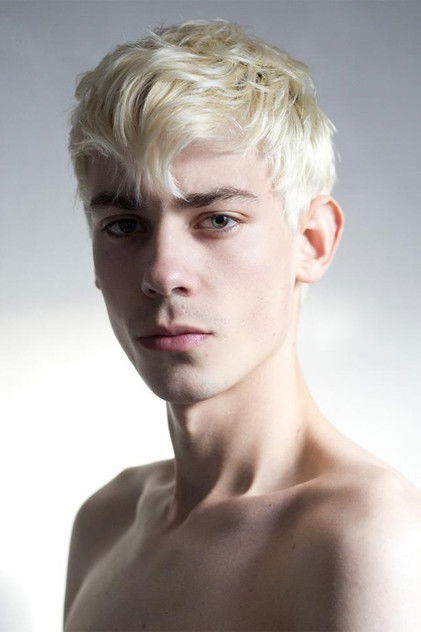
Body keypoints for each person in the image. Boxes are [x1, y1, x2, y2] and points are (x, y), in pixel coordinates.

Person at [63, 19, 421, 631]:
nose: (162, 273)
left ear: (311, 241)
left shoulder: (368, 536)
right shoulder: (105, 522)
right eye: (124, 225)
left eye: (217, 219)